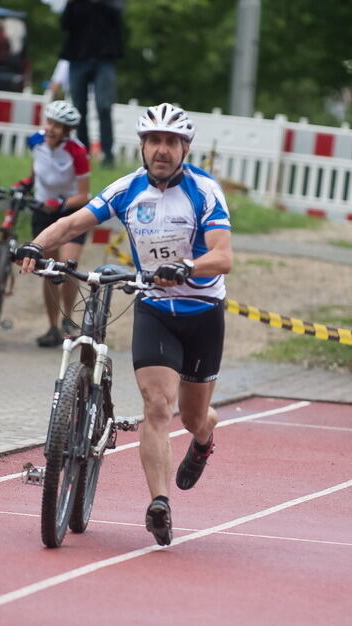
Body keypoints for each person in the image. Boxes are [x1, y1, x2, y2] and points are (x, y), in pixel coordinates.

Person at [15, 103, 233, 547]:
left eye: (172, 142)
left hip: (202, 313)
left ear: (184, 148)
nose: (162, 150)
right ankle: (160, 503)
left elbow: (223, 255)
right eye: (154, 141)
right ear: (143, 146)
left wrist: (188, 266)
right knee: (157, 405)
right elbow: (75, 222)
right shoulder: (128, 188)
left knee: (192, 418)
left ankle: (205, 438)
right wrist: (35, 246)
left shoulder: (204, 191)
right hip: (154, 309)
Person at [13, 100, 91, 347]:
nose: (51, 128)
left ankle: (69, 319)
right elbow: (38, 168)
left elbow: (84, 195)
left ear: (67, 131)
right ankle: (52, 327)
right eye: (49, 122)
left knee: (67, 265)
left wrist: (59, 203)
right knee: (49, 270)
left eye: (58, 126)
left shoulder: (77, 152)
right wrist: (27, 182)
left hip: (70, 211)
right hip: (42, 210)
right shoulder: (35, 141)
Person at [59, 0, 124, 168]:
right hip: (78, 57)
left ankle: (108, 156)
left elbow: (118, 13)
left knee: (104, 106)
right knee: (78, 108)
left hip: (104, 58)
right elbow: (64, 24)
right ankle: (82, 154)